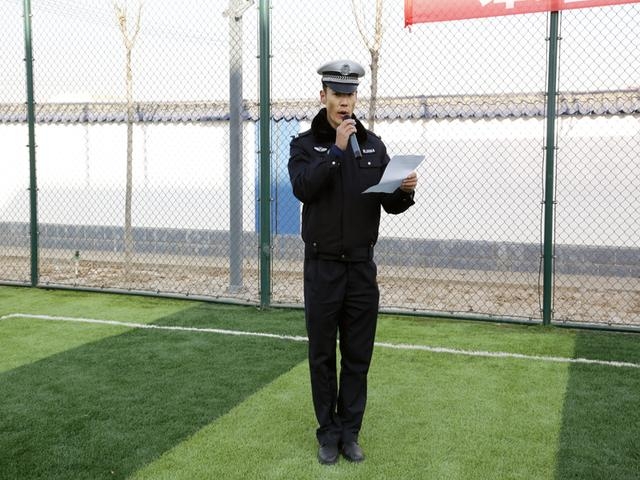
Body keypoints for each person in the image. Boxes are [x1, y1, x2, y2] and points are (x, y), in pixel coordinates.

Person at [288, 60, 418, 465]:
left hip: (362, 269)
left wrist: (404, 190)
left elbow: (389, 203)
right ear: (323, 96)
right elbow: (303, 188)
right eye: (337, 94)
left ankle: (350, 432)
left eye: (350, 94)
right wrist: (337, 151)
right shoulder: (305, 146)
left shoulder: (374, 145)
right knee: (322, 355)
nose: (345, 102)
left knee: (358, 355)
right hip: (322, 268)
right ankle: (328, 434)